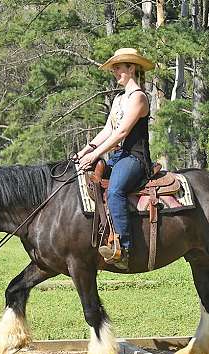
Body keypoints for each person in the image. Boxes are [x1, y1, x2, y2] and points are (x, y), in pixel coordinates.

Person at [76, 48, 154, 270]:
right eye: (114, 69)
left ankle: (123, 248)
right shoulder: (119, 99)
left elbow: (121, 133)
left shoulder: (139, 97)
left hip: (135, 158)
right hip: (119, 157)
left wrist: (96, 153)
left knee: (115, 190)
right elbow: (107, 130)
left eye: (118, 68)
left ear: (132, 68)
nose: (115, 72)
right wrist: (85, 151)